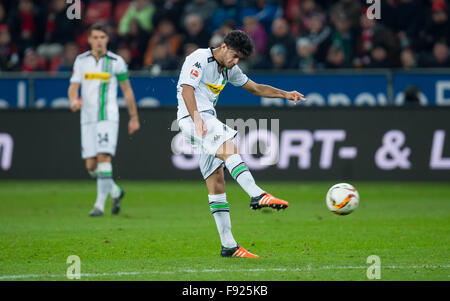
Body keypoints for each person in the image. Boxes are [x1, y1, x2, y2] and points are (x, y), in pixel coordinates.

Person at [176, 30, 306, 258]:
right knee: (229, 146)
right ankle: (257, 194)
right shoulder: (198, 57)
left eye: (239, 59)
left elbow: (255, 88)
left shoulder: (228, 70)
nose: (235, 62)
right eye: (234, 55)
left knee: (216, 180)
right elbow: (187, 89)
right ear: (224, 46)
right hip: (195, 117)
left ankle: (229, 246)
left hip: (202, 119)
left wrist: (286, 94)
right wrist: (197, 118)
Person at [68, 23, 140, 217]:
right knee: (91, 166)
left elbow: (127, 90)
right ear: (89, 39)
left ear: (107, 39)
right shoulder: (81, 61)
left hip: (107, 116)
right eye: (95, 37)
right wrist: (74, 100)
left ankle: (99, 206)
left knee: (103, 157)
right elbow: (73, 87)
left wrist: (133, 117)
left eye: (102, 37)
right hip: (87, 118)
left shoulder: (116, 61)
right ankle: (115, 191)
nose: (99, 41)